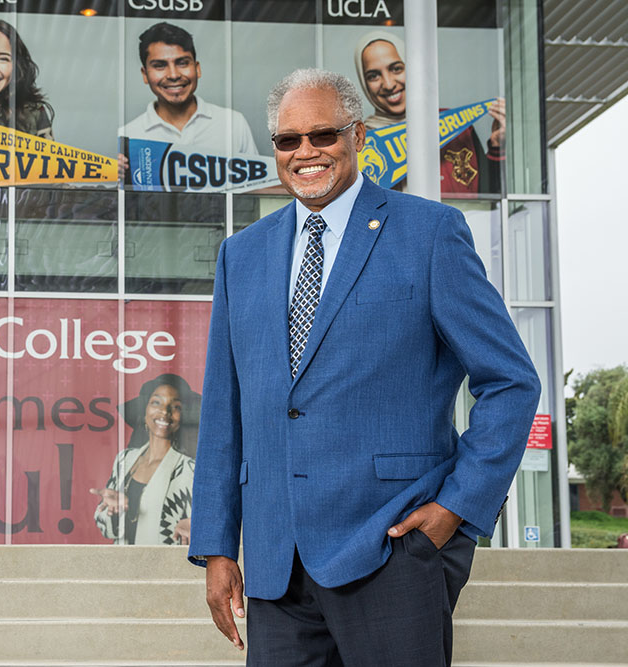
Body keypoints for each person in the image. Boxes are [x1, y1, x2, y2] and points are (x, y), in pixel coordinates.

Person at [187, 68, 540, 664]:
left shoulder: (429, 233)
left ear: (359, 136)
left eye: (323, 135)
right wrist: (218, 546)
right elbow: (225, 412)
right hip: (277, 564)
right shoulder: (239, 255)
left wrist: (457, 508)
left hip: (393, 550)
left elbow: (511, 380)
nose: (306, 153)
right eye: (288, 140)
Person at [353, 31, 505, 194]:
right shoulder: (361, 141)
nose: (389, 84)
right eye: (373, 76)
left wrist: (497, 147)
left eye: (396, 69)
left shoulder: (455, 126)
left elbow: (487, 196)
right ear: (364, 82)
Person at [90, 373, 199, 545]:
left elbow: (208, 521)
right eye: (156, 402)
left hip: (164, 569)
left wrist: (197, 526)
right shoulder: (124, 460)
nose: (165, 411)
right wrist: (113, 511)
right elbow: (107, 530)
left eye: (175, 406)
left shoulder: (190, 470)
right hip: (123, 567)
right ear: (144, 412)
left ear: (182, 417)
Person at [120, 22, 258, 156]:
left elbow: (259, 180)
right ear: (145, 75)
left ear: (197, 69)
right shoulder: (129, 135)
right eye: (159, 65)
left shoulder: (233, 123)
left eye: (182, 63)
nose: (173, 75)